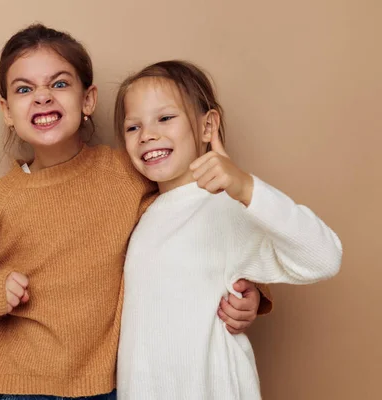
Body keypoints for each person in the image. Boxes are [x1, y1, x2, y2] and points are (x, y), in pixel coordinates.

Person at [0, 25, 272, 400]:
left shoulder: (127, 172)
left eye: (58, 84)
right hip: (20, 385)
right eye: (24, 89)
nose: (41, 97)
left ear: (88, 100)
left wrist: (250, 292)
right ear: (7, 111)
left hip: (110, 385)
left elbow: (201, 218)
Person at [114, 60, 342, 399]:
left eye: (165, 118)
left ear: (208, 127)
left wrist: (247, 188)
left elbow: (324, 257)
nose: (147, 134)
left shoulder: (226, 205)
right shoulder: (145, 212)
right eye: (133, 127)